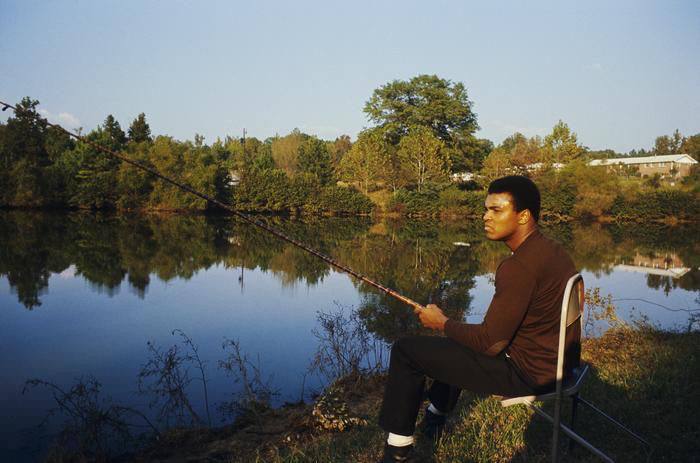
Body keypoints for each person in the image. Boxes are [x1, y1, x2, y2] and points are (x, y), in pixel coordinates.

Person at [378, 175, 577, 462]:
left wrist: (442, 323)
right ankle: (435, 417)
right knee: (461, 338)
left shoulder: (519, 266)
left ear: (523, 216)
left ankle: (397, 452)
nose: (486, 217)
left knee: (406, 351)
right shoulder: (552, 250)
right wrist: (453, 328)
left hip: (528, 375)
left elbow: (489, 343)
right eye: (486, 209)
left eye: (496, 210)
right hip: (557, 366)